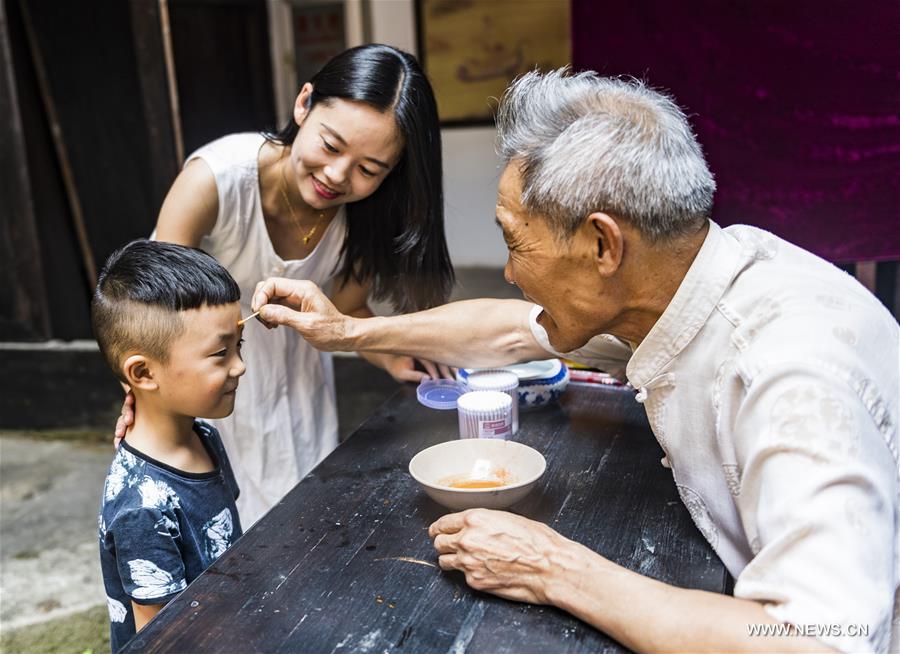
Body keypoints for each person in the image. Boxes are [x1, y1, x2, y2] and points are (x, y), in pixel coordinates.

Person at [249, 70, 899, 653]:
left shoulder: (787, 378)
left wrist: (553, 567)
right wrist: (345, 331)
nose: (506, 272)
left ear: (601, 244)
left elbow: (818, 643)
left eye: (513, 242)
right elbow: (507, 332)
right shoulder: (689, 280)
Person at [116, 44, 455, 524]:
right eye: (331, 145)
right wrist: (148, 410)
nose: (337, 176)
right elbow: (147, 312)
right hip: (208, 395)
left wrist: (394, 353)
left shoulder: (367, 215)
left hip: (300, 397)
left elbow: (348, 313)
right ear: (304, 104)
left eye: (368, 169)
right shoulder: (215, 182)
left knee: (299, 532)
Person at [93, 240, 245, 652]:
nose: (239, 366)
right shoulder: (140, 507)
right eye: (220, 353)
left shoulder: (205, 436)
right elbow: (161, 636)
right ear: (143, 372)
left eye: (239, 346)